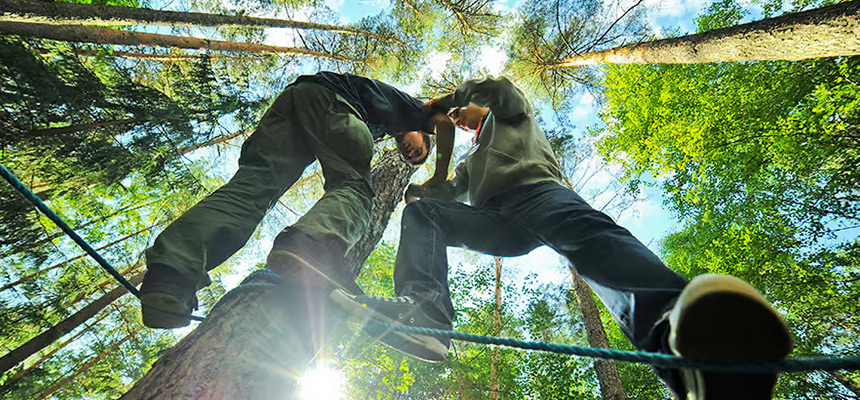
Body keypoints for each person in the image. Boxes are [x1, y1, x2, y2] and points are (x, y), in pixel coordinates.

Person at [332, 76, 794, 399]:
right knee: (425, 217)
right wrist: (424, 187)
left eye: (469, 115)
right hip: (498, 220)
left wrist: (451, 99)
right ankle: (425, 313)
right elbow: (448, 190)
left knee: (595, 243)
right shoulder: (474, 161)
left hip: (539, 195)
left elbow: (502, 91)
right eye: (463, 118)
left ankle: (683, 336)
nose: (466, 120)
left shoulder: (509, 116)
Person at [139, 71, 453, 330]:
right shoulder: (415, 110)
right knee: (355, 186)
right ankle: (312, 246)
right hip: (335, 102)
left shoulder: (386, 120)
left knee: (255, 186)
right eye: (417, 150)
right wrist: (437, 176)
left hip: (296, 99)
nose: (409, 152)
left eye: (410, 156)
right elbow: (446, 121)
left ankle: (172, 271)